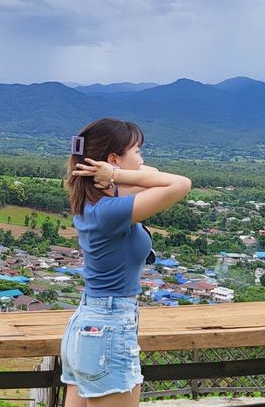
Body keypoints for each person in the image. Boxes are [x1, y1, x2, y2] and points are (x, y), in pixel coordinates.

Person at [60, 118, 192, 407]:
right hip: (109, 327)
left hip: (87, 327)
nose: (142, 159)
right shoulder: (110, 211)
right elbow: (181, 183)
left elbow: (153, 172)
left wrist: (114, 173)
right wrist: (117, 174)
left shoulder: (96, 203)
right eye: (137, 151)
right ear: (113, 159)